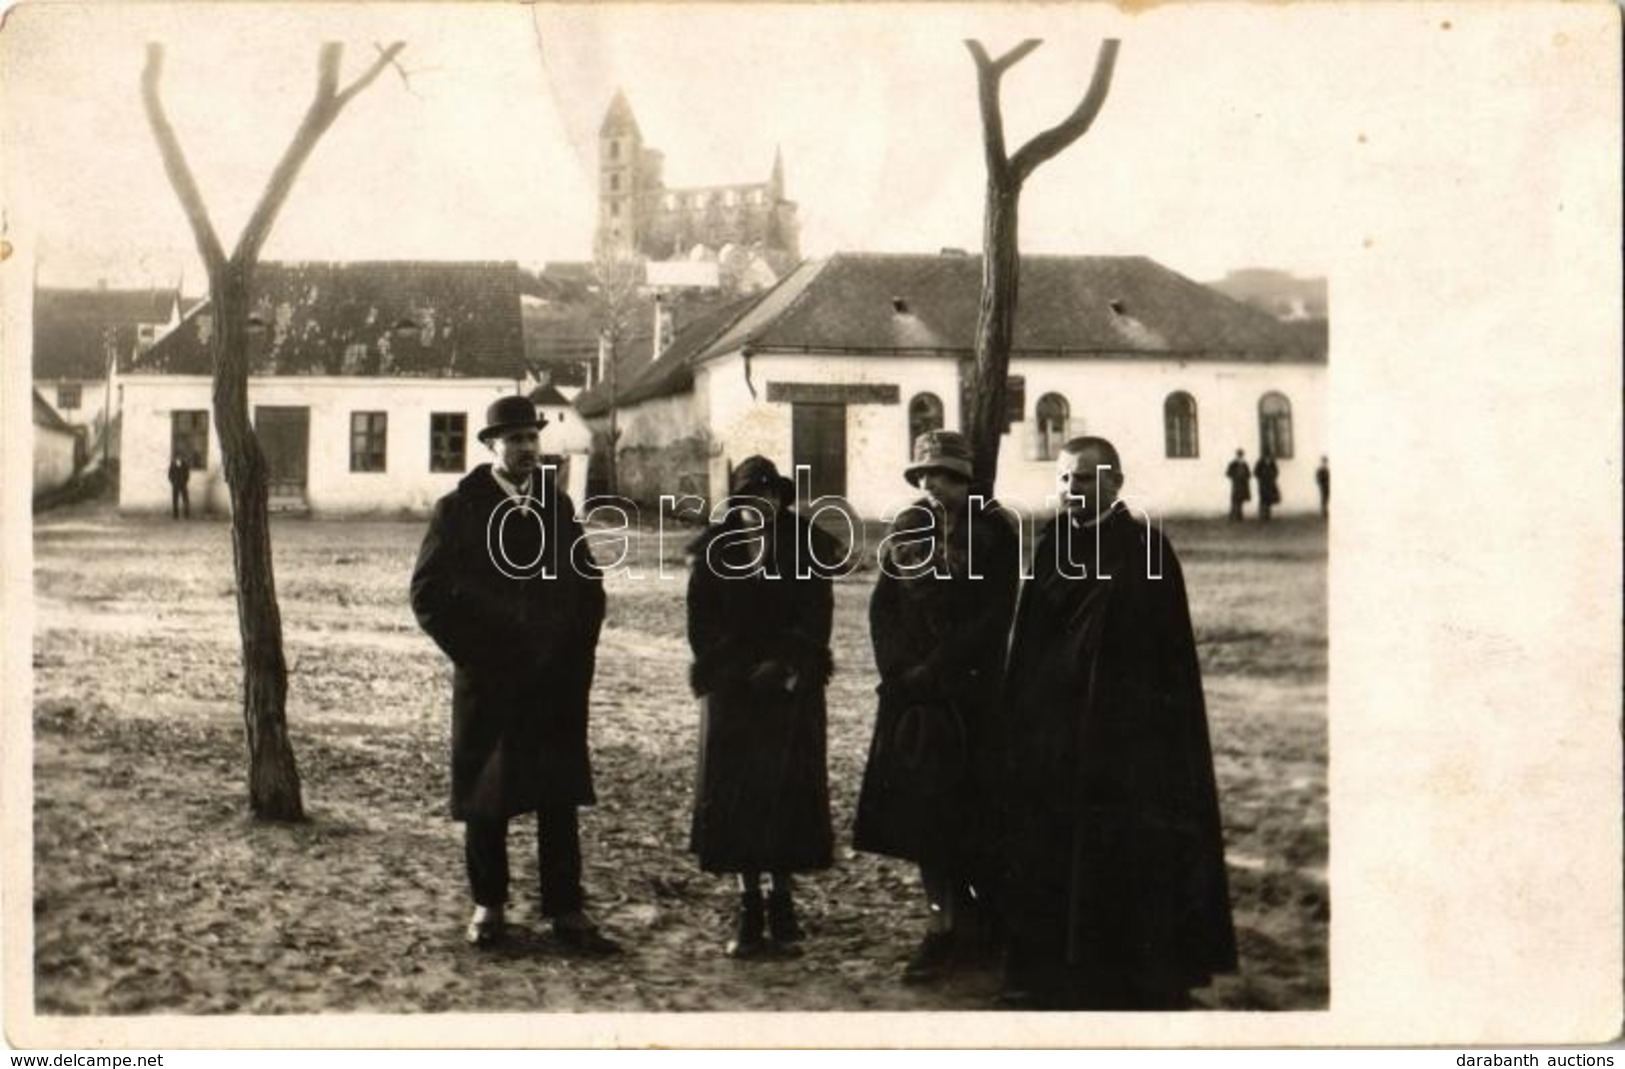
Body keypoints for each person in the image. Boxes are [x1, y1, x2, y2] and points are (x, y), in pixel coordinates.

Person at [999, 436, 1236, 1009]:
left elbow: (1169, 658)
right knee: (1058, 850)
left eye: (1081, 479)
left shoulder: (1147, 549)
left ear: (1114, 482)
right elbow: (1030, 640)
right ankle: (1054, 977)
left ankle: (1139, 978)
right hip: (1057, 736)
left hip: (1128, 744)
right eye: (1062, 480)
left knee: (1126, 855)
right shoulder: (1052, 546)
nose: (1069, 491)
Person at [410, 395, 620, 955]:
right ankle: (489, 907)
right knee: (488, 798)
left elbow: (588, 588)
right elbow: (429, 597)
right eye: (515, 439)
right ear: (490, 446)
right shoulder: (458, 510)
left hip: (554, 682)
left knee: (558, 796)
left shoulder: (556, 507)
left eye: (533, 438)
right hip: (491, 680)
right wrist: (480, 657)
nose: (527, 448)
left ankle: (567, 911)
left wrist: (575, 658)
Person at [854, 430, 1021, 984]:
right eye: (925, 476)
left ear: (966, 479)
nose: (933, 486)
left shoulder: (996, 531)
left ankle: (983, 928)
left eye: (945, 476)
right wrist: (899, 670)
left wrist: (943, 665)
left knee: (972, 817)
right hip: (915, 699)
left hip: (970, 698)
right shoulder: (908, 528)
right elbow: (884, 606)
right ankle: (939, 929)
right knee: (924, 823)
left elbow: (996, 614)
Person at [685, 456, 846, 958]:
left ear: (782, 499)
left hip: (789, 690)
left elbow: (817, 613)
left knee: (786, 795)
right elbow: (701, 623)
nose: (763, 504)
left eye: (772, 495)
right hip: (733, 694)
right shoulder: (714, 550)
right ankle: (748, 904)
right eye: (751, 495)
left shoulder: (808, 545)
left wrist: (786, 665)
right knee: (736, 798)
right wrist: (733, 672)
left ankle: (783, 902)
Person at [1254, 449, 1281, 522]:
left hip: (1270, 483)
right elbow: (1256, 472)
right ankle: (1262, 514)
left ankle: (1268, 514)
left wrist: (1272, 477)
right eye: (1266, 457)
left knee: (1269, 499)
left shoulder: (1272, 463)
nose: (1268, 459)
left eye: (1269, 457)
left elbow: (1276, 471)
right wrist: (1261, 478)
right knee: (1262, 499)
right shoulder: (1260, 463)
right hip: (1263, 484)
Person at [1224, 450, 1250, 522]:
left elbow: (1248, 474)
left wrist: (1245, 477)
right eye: (1239, 456)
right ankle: (1233, 515)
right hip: (1236, 484)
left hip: (1243, 484)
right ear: (1236, 456)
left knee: (1241, 500)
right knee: (1235, 500)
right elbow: (1228, 473)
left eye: (1241, 456)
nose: (1240, 457)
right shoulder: (1233, 464)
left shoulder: (1245, 464)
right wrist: (1234, 477)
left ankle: (1239, 515)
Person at [168, 453, 192, 520]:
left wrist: (184, 482)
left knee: (185, 499)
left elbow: (187, 475)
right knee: (175, 500)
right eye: (177, 457)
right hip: (175, 485)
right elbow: (170, 475)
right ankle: (175, 515)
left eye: (180, 457)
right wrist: (173, 482)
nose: (179, 458)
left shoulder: (184, 464)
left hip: (183, 484)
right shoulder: (173, 465)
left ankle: (187, 515)